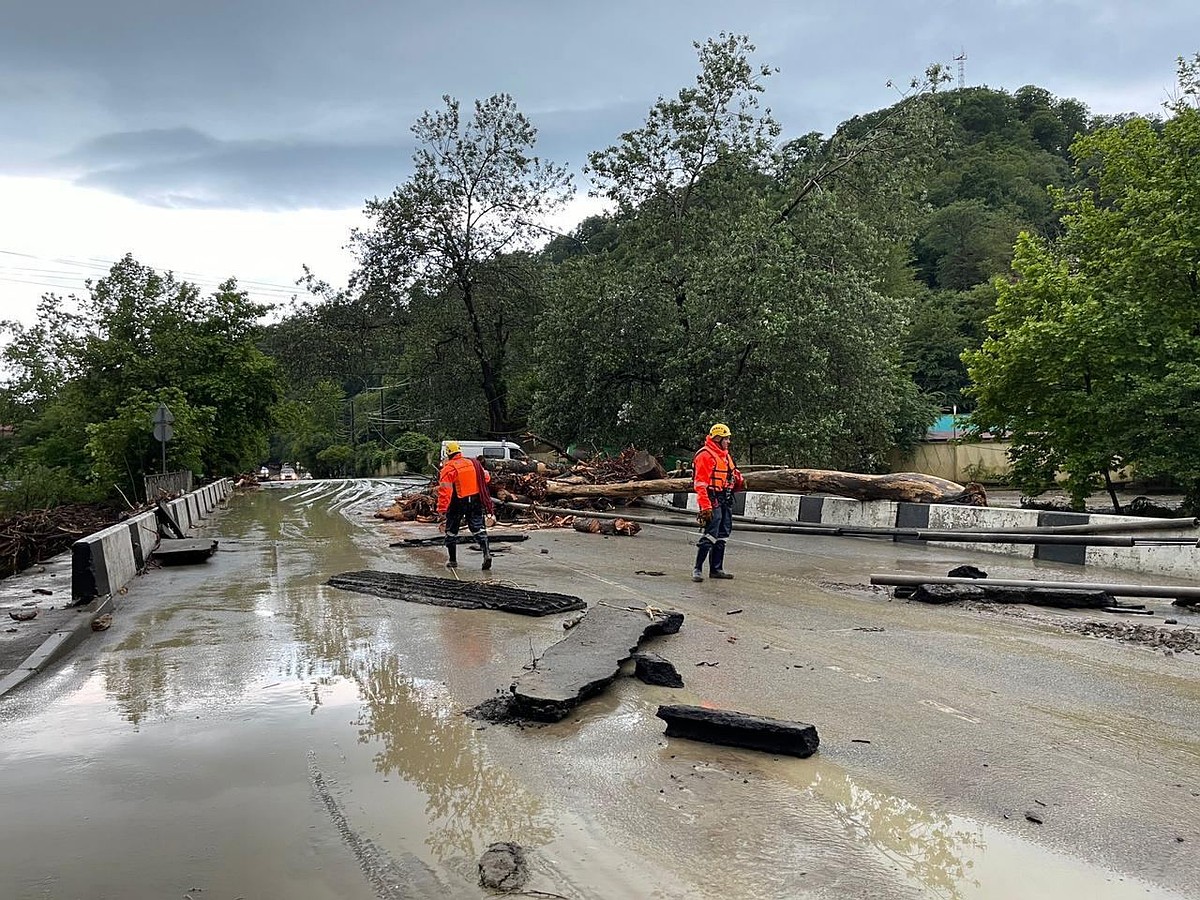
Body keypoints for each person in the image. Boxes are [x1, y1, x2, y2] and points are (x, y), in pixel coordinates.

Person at [692, 423, 744, 582]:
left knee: (723, 533)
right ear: (717, 438)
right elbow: (700, 484)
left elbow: (733, 473)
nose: (728, 441)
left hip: (724, 497)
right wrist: (706, 507)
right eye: (726, 438)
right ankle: (697, 569)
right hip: (711, 498)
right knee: (710, 533)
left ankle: (716, 569)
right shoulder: (705, 455)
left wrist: (740, 481)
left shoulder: (724, 455)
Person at [436, 441, 495, 570]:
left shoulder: (449, 468)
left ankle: (452, 561)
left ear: (448, 453)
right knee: (478, 528)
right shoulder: (473, 463)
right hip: (475, 500)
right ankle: (487, 553)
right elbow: (486, 478)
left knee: (451, 531)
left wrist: (442, 510)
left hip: (457, 501)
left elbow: (445, 491)